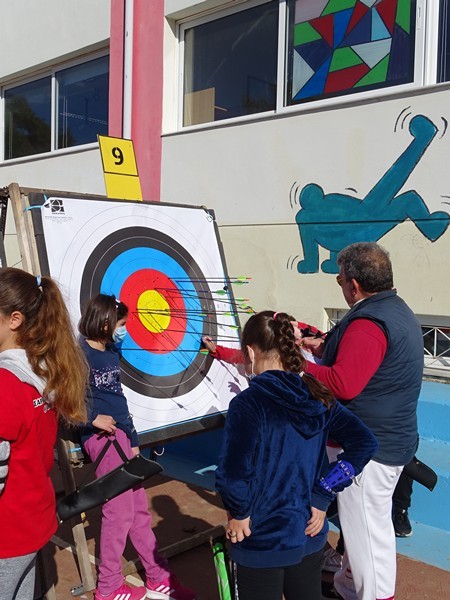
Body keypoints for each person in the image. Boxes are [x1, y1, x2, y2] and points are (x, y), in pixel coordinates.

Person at [215, 311, 378, 600]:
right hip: (309, 531)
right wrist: (324, 492)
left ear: (250, 352)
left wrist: (239, 513)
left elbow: (233, 475)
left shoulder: (248, 403)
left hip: (260, 536)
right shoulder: (318, 395)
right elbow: (364, 443)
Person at [302, 242, 423, 600]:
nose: (341, 285)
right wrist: (323, 348)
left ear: (354, 285)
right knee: (362, 532)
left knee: (369, 538)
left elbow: (344, 383)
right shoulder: (393, 309)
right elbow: (364, 360)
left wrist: (294, 365)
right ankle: (346, 589)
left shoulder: (369, 322)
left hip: (367, 450)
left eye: (339, 279)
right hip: (385, 440)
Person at [78, 294, 195, 600]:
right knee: (118, 512)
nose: (124, 330)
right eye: (121, 324)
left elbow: (118, 400)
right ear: (105, 323)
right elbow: (61, 400)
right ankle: (108, 587)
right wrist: (91, 419)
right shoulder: (78, 355)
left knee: (139, 510)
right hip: (103, 439)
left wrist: (132, 441)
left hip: (121, 437)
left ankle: (157, 577)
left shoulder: (109, 351)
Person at [0, 268, 88, 600]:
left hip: (7, 532)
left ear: (15, 319)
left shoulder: (6, 384)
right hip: (32, 521)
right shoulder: (41, 370)